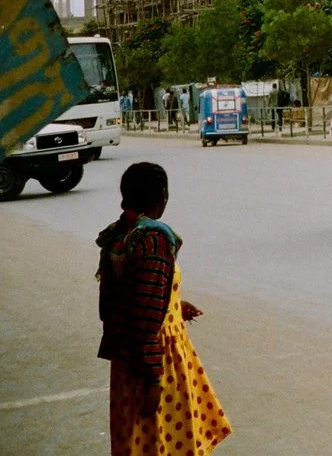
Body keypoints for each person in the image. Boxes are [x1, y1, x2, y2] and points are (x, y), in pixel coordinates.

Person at [97, 162, 232, 455]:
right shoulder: (153, 241)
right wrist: (154, 380)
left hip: (127, 362)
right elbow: (144, 318)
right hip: (155, 362)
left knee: (136, 442)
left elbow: (124, 299)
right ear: (161, 197)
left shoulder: (121, 235)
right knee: (161, 442)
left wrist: (172, 304)